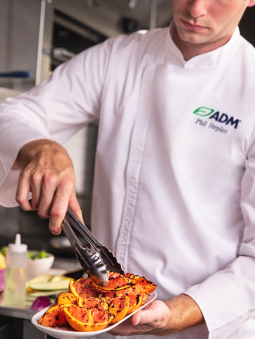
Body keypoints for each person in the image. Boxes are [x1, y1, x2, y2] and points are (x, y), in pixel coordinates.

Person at [1, 0, 255, 337]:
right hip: (103, 322)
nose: (196, 9)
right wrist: (41, 146)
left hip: (203, 327)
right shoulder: (120, 56)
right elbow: (14, 114)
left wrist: (176, 312)